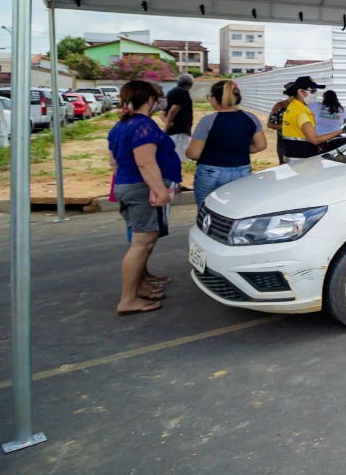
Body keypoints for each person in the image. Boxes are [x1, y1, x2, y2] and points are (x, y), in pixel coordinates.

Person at [108, 80, 181, 316]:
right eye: (156, 98)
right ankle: (128, 299)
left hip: (128, 185)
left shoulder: (121, 126)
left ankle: (138, 287)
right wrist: (160, 191)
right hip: (142, 190)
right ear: (150, 100)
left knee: (144, 242)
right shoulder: (143, 127)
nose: (158, 102)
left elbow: (114, 161)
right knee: (141, 245)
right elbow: (145, 161)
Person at [186, 80, 267, 209]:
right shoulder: (250, 118)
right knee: (237, 210)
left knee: (206, 210)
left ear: (214, 99)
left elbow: (194, 153)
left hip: (211, 171)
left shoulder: (208, 121)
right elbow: (261, 145)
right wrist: (239, 149)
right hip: (242, 170)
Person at [282, 76, 346, 159]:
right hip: (302, 159)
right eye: (313, 91)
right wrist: (343, 130)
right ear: (301, 92)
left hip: (292, 154)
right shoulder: (301, 113)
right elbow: (315, 140)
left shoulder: (293, 107)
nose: (315, 94)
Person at [162, 73, 195, 164]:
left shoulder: (171, 92)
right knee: (181, 156)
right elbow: (173, 110)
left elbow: (163, 112)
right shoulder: (183, 92)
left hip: (174, 129)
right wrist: (167, 124)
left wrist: (167, 123)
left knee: (174, 152)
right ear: (190, 84)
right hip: (181, 127)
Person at [267, 81, 298, 165]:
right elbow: (270, 124)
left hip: (303, 143)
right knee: (284, 167)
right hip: (285, 143)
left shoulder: (306, 105)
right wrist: (288, 126)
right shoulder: (279, 105)